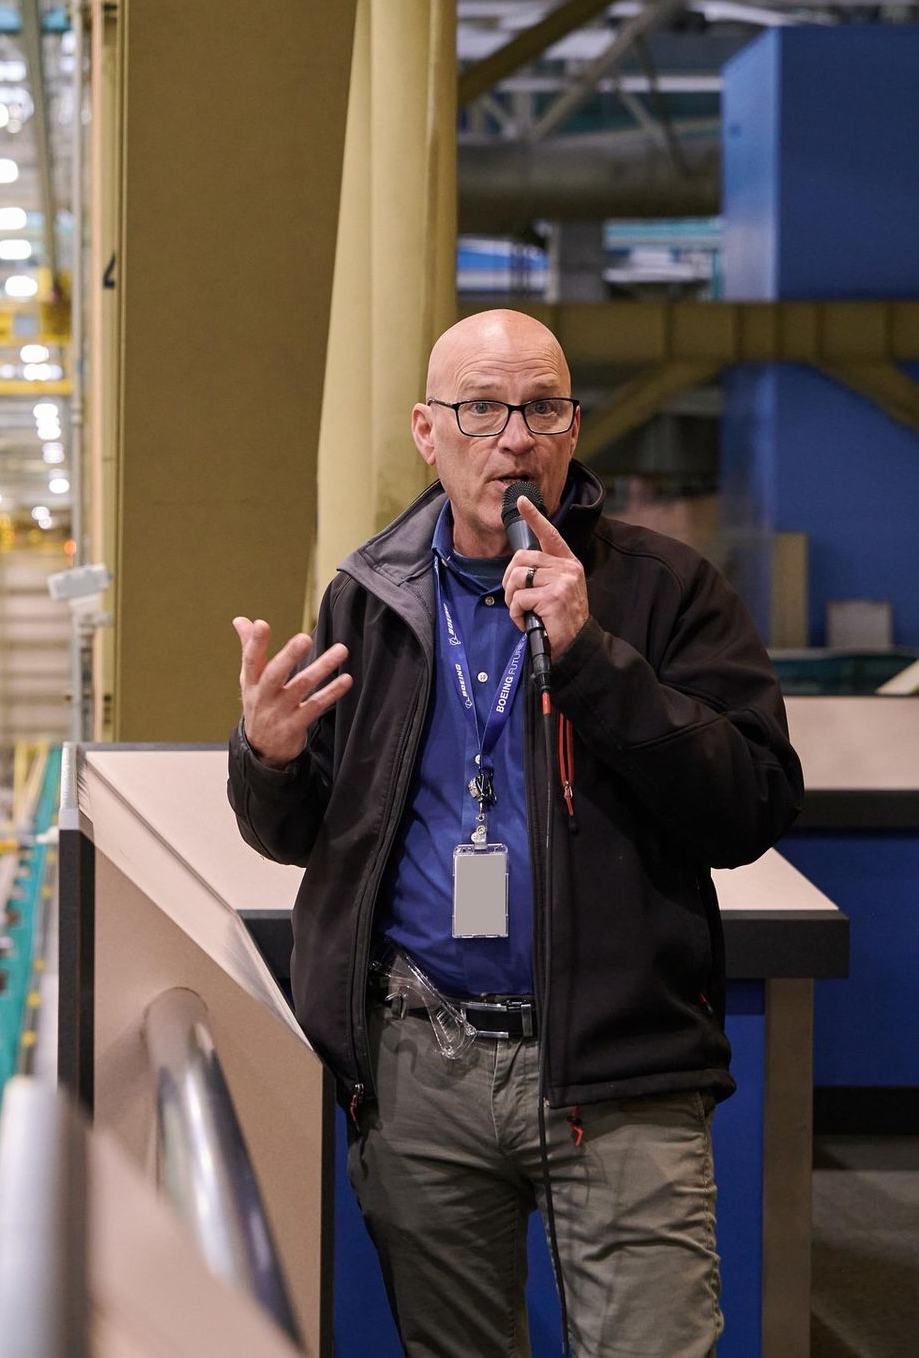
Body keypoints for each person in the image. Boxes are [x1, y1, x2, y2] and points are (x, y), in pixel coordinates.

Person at [227, 309, 802, 1357]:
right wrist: (265, 756)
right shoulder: (371, 598)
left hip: (617, 1067)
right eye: (482, 407)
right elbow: (309, 830)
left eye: (543, 406)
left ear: (574, 426)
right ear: (425, 429)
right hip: (422, 1070)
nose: (515, 435)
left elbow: (753, 804)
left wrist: (592, 659)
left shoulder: (664, 592)